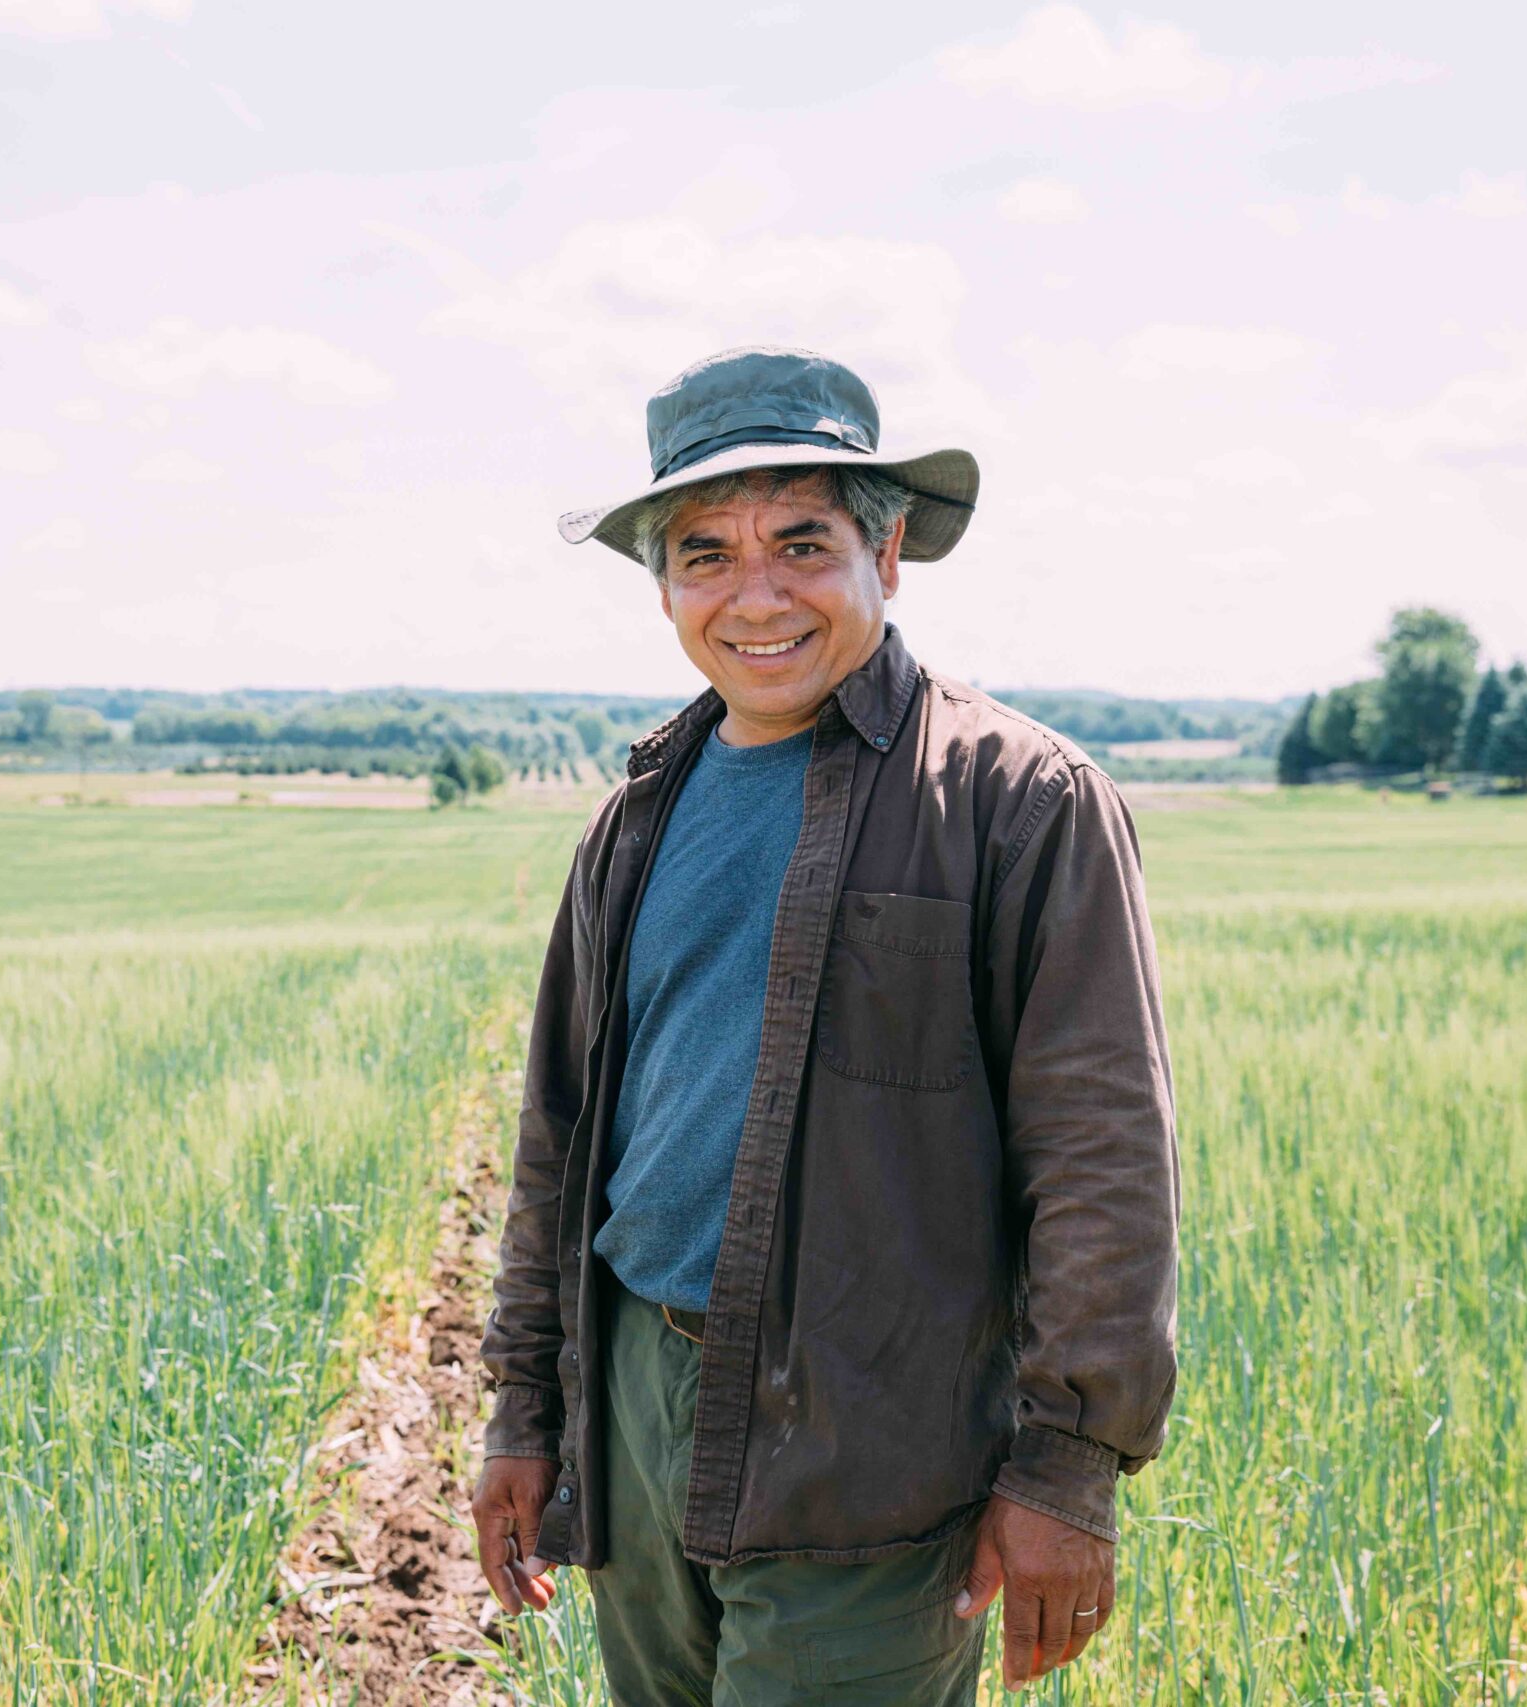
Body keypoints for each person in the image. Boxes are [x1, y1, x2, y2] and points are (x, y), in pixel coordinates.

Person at [470, 346, 1180, 1701]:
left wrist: (1069, 1469)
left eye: (802, 541)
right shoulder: (636, 818)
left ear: (888, 553)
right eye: (706, 553)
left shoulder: (1018, 801)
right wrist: (528, 1410)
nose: (757, 594)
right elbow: (556, 1140)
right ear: (665, 583)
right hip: (635, 1412)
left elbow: (1103, 1158)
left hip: (870, 1442)